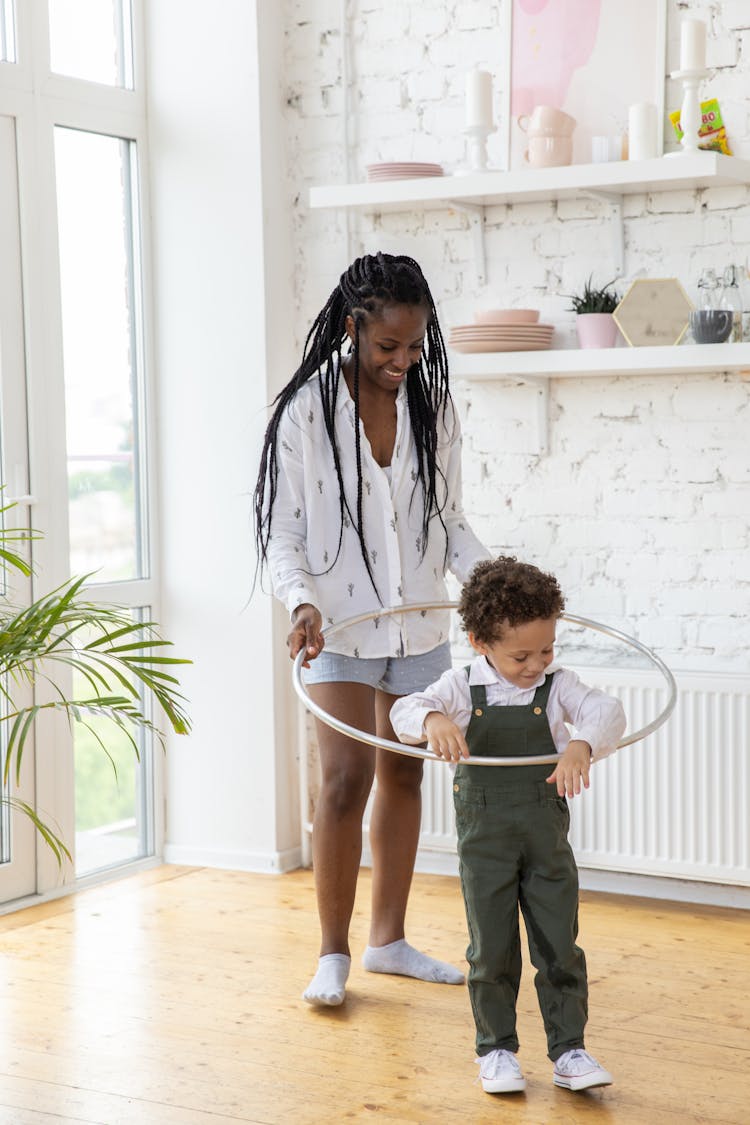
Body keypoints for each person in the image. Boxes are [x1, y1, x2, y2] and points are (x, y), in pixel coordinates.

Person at [253, 252, 491, 1007]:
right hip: (338, 627)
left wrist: (491, 587)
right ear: (353, 327)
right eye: (388, 346)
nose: (403, 361)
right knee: (345, 778)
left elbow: (451, 523)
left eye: (416, 346)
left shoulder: (432, 409)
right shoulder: (306, 412)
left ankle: (388, 940)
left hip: (418, 621)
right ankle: (332, 952)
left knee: (407, 769)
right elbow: (283, 529)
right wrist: (299, 603)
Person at [390, 556, 626, 1095]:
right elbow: (404, 711)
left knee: (559, 944)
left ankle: (570, 1051)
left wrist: (582, 744)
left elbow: (608, 710)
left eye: (546, 649)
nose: (535, 664)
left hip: (546, 841)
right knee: (491, 949)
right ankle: (496, 1051)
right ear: (479, 642)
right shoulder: (458, 687)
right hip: (485, 843)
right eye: (521, 655)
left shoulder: (558, 686)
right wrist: (433, 720)